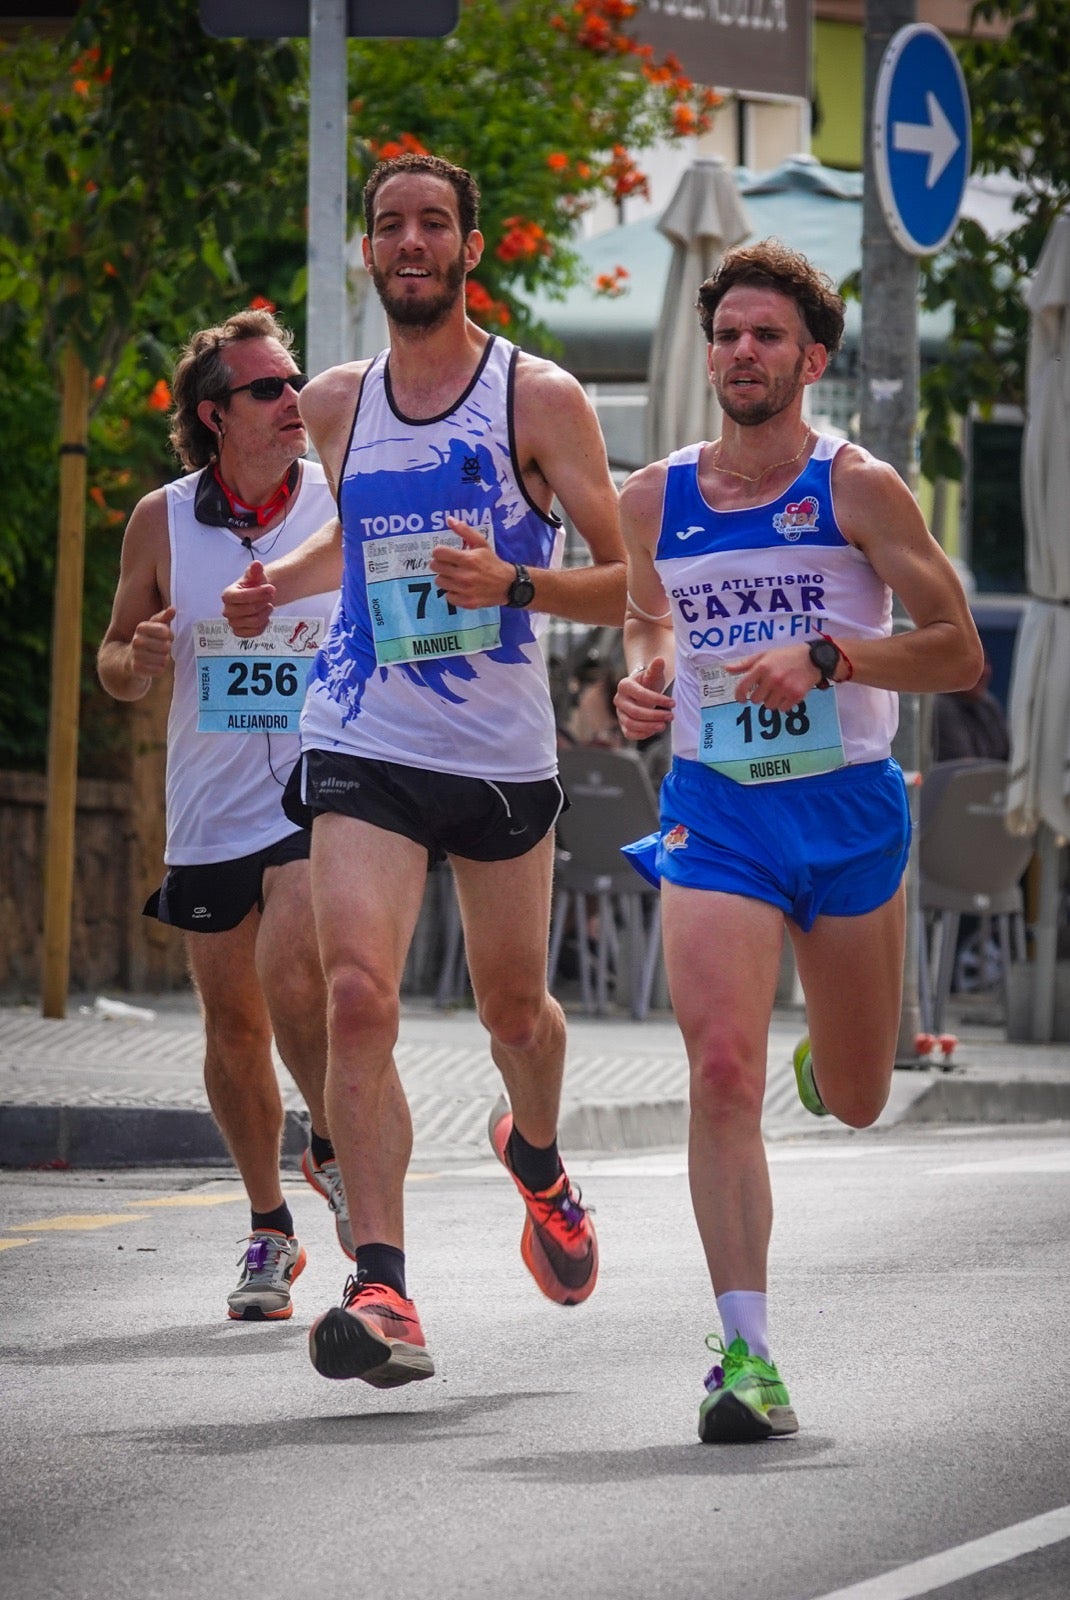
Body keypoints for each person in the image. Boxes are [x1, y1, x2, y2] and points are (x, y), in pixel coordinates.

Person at [222, 154, 626, 1389]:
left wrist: (509, 583)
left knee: (516, 1015)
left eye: (432, 223)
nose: (409, 241)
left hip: (498, 754)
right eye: (389, 223)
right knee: (358, 994)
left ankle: (539, 1159)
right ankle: (384, 1282)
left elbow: (626, 577)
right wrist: (274, 583)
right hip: (363, 732)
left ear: (467, 248)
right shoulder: (339, 402)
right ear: (367, 251)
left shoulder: (536, 400)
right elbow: (357, 529)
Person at [614, 241, 982, 1444]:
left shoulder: (859, 487)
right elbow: (641, 623)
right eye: (725, 334)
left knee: (864, 1097)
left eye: (765, 336)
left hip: (846, 807)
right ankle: (744, 1352)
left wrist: (830, 655)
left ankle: (834, 1058)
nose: (738, 352)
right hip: (715, 806)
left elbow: (955, 649)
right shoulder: (651, 495)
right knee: (719, 1069)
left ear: (809, 359)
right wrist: (638, 687)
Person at [97, 309, 351, 1323]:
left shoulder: (334, 503)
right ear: (214, 415)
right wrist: (137, 660)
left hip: (315, 785)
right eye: (267, 389)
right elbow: (114, 657)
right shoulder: (162, 520)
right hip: (207, 802)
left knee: (296, 973)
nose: (294, 399)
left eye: (293, 382)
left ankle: (331, 1137)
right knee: (232, 1022)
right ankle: (269, 1226)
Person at [932, 652, 1010, 762]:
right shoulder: (941, 707)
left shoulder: (988, 704)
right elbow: (966, 767)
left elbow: (1009, 756)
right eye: (975, 663)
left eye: (985, 662)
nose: (985, 671)